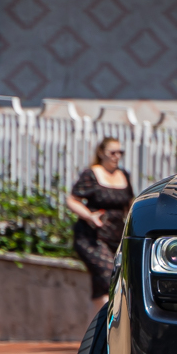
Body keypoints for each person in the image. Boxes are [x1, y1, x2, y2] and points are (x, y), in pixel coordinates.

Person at [66, 137, 132, 319]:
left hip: (116, 236)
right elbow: (72, 200)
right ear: (102, 153)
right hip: (92, 237)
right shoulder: (91, 174)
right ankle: (114, 322)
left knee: (101, 284)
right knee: (111, 272)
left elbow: (130, 204)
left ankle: (96, 333)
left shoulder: (124, 175)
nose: (117, 156)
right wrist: (89, 216)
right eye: (113, 152)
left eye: (120, 152)